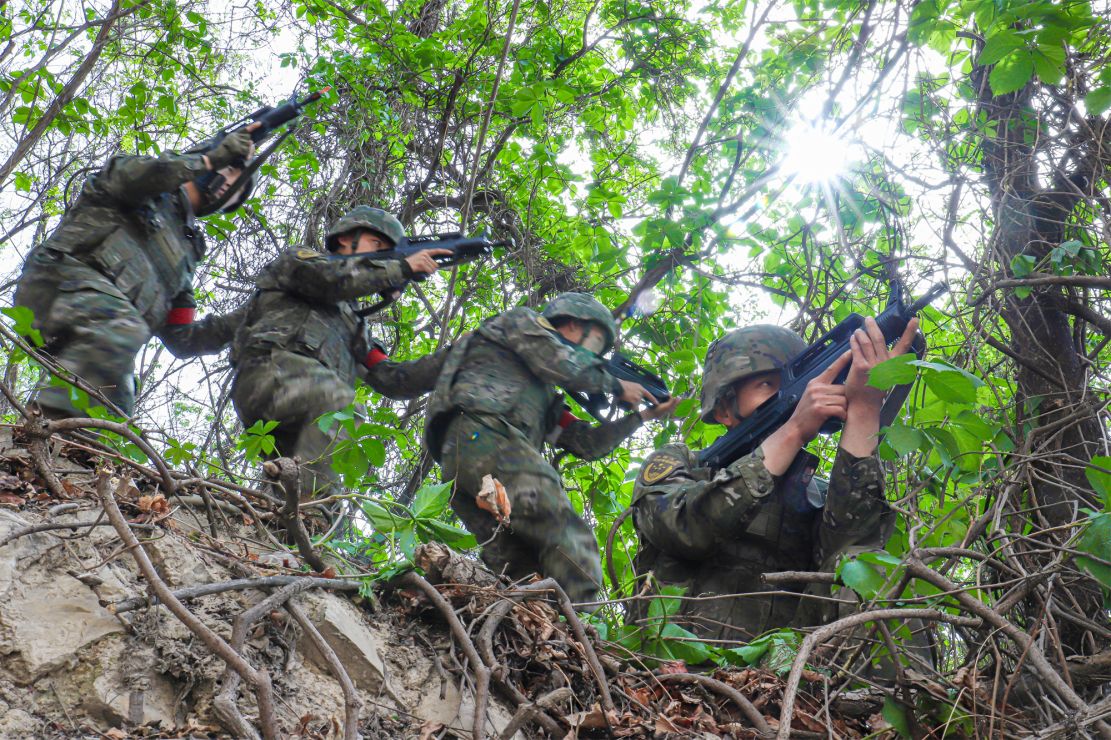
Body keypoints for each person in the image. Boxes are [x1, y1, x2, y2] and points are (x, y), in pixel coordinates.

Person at [628, 318, 918, 646]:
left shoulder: (818, 494)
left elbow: (855, 552)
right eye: (767, 385)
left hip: (784, 674)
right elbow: (686, 530)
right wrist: (793, 430)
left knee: (871, 567)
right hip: (668, 668)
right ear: (724, 409)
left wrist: (865, 407)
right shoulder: (683, 465)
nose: (793, 399)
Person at [424, 292, 678, 605]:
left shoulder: (541, 395)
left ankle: (538, 633)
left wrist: (642, 417)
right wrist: (615, 385)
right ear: (573, 324)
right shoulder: (523, 323)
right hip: (483, 436)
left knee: (520, 568)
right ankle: (579, 619)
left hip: (468, 466)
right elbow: (558, 361)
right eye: (597, 342)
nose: (595, 355)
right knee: (569, 538)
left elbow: (586, 443)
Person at [13, 128, 259, 417]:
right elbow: (133, 177)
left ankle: (66, 453)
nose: (229, 184)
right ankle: (41, 432)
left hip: (101, 330)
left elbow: (183, 338)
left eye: (238, 188)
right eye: (230, 170)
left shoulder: (185, 253)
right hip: (57, 284)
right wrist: (207, 160)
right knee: (124, 329)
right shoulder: (148, 180)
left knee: (118, 397)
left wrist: (256, 309)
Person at [230, 206, 452, 506]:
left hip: (306, 407)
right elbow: (329, 280)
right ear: (347, 238)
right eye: (377, 245)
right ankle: (309, 512)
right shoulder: (302, 262)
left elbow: (392, 379)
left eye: (388, 252)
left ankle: (290, 526)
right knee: (342, 408)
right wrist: (400, 269)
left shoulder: (354, 323)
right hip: (268, 375)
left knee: (296, 489)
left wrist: (458, 358)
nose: (381, 256)